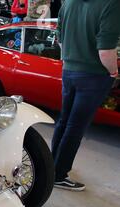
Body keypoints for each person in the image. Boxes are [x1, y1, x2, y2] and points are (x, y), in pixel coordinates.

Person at [52, 0, 120, 191]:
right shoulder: (111, 5)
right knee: (76, 127)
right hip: (93, 75)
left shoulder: (69, 2)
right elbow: (106, 51)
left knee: (64, 121)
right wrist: (114, 72)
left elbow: (60, 39)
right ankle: (59, 174)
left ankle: (51, 167)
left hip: (69, 71)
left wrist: (69, 61)